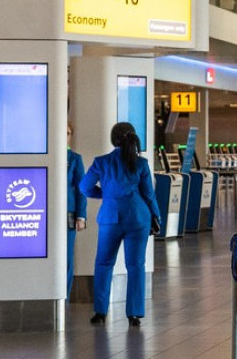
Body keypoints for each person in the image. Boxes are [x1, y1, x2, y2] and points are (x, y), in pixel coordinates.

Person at [80, 122, 161, 326]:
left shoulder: (102, 162)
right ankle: (134, 314)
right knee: (136, 265)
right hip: (138, 217)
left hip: (110, 218)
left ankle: (100, 312)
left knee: (104, 263)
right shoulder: (140, 164)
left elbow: (84, 187)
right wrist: (156, 218)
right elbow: (149, 195)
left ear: (112, 140)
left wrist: (104, 194)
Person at [65, 125, 87, 296]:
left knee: (67, 257)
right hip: (46, 215)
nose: (65, 136)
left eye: (68, 133)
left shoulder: (74, 159)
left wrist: (81, 216)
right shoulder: (43, 157)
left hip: (68, 214)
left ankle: (64, 293)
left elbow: (81, 189)